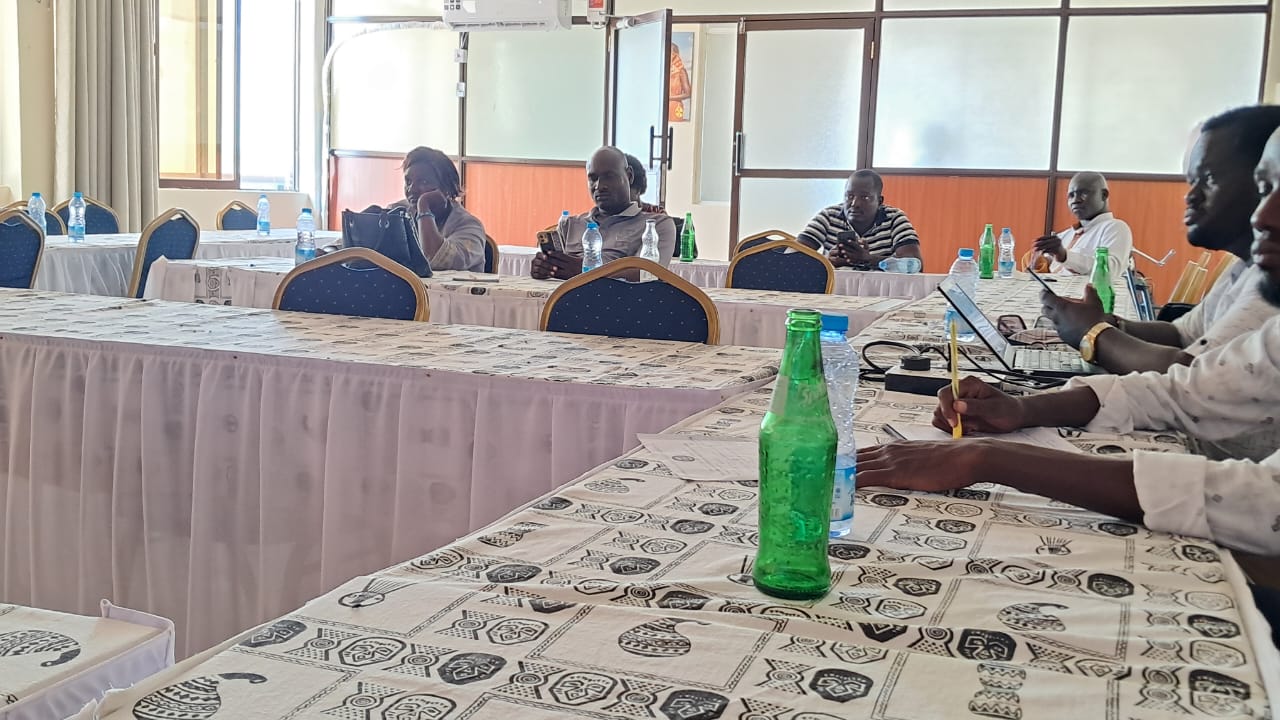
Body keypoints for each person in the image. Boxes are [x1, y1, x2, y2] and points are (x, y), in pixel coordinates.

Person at [855, 121, 1280, 558]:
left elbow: (1263, 502)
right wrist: (1022, 408)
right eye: (1267, 188)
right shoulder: (1256, 292)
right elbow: (1181, 389)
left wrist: (989, 458)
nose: (1262, 216)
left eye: (1207, 179)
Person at [1039, 106, 1280, 376]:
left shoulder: (1269, 296)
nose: (1190, 196)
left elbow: (1190, 379)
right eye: (1192, 181)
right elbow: (1181, 334)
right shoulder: (1242, 270)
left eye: (1209, 179)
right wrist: (1107, 322)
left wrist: (1094, 333)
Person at [531, 147, 676, 280]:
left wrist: (585, 271)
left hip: (619, 300)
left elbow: (647, 274)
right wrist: (543, 268)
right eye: (593, 178)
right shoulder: (569, 225)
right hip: (562, 298)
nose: (599, 186)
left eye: (609, 176)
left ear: (629, 176)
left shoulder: (656, 225)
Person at [797, 170, 922, 270]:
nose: (854, 203)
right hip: (833, 290)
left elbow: (915, 265)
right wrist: (826, 262)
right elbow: (793, 257)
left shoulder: (894, 218)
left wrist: (869, 260)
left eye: (865, 197)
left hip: (881, 291)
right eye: (850, 196)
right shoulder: (828, 216)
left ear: (879, 201)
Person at [389, 146, 488, 272]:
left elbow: (434, 260)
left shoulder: (469, 225)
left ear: (447, 188)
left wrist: (424, 209)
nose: (412, 189)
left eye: (424, 182)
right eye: (408, 182)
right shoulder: (399, 212)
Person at [1031, 172, 1133, 277]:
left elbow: (1110, 271)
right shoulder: (1064, 235)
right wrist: (1037, 260)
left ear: (1104, 195)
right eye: (1071, 195)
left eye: (1084, 193)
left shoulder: (1116, 227)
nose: (1075, 200)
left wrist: (1065, 256)